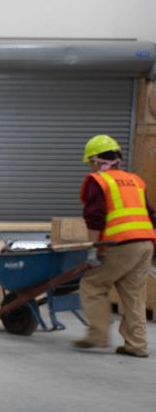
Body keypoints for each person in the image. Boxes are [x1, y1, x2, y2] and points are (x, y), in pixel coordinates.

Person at [71, 134, 155, 357]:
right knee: (134, 295)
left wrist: (93, 247)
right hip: (145, 243)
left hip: (121, 244)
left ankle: (97, 335)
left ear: (98, 160)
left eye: (90, 161)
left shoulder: (98, 181)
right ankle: (137, 345)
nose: (90, 166)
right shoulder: (135, 180)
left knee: (92, 285)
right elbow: (151, 215)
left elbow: (95, 217)